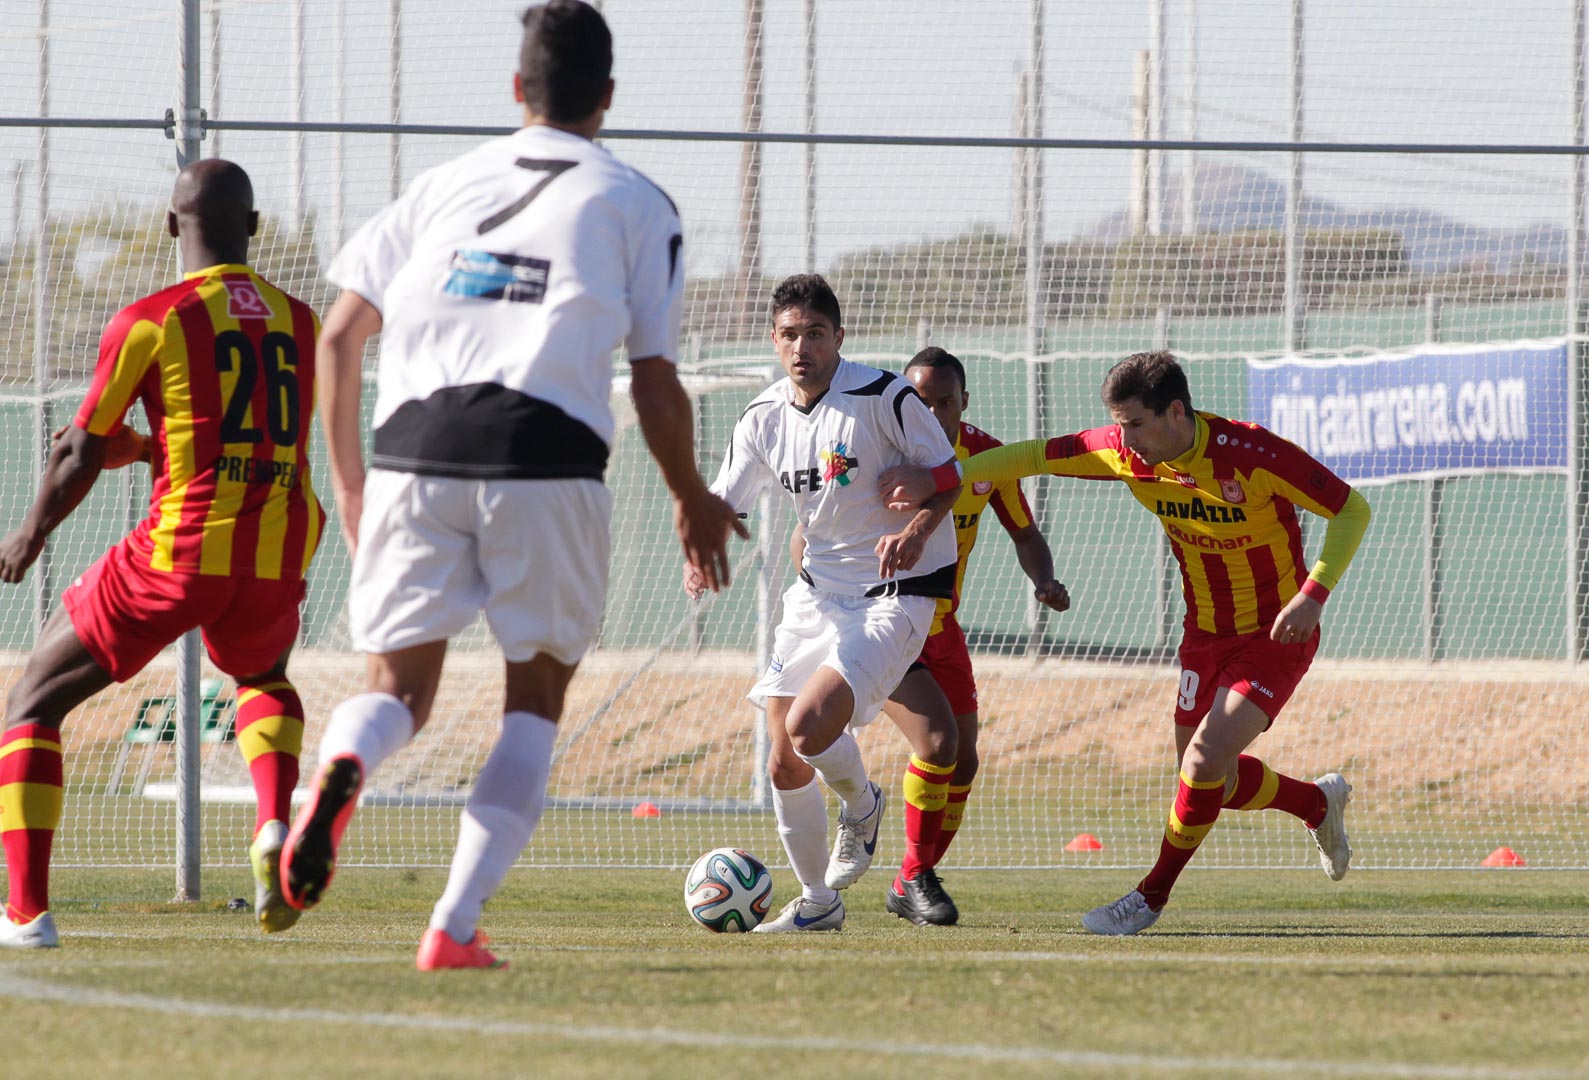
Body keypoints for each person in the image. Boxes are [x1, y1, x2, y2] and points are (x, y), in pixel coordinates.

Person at [285, 0, 744, 971]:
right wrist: (688, 495)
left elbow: (338, 337)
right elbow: (653, 381)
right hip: (545, 455)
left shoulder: (440, 185)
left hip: (413, 450)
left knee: (397, 692)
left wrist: (352, 485)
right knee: (532, 700)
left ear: (515, 88)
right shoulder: (635, 200)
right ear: (607, 96)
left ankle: (344, 761)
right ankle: (451, 927)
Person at [881, 350, 1371, 935]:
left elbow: (1351, 509)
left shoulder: (1251, 453)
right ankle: (1315, 804)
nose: (1126, 439)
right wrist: (941, 478)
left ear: (1175, 412)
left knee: (1202, 762)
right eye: (1120, 425)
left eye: (1136, 424)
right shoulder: (1123, 451)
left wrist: (1313, 595)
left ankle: (1148, 897)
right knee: (1212, 780)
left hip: (1276, 633)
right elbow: (1030, 456)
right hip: (1203, 635)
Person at [0, 159, 324, 948]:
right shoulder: (302, 322)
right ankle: (274, 824)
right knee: (262, 678)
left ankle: (26, 914)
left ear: (171, 226)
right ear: (254, 229)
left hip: (179, 551)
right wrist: (148, 449)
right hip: (276, 547)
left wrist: (30, 533)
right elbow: (243, 434)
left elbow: (77, 450)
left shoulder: (152, 319)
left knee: (31, 703)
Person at [686, 273, 962, 933]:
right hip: (817, 595)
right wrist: (701, 547)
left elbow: (950, 475)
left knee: (809, 730)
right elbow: (727, 498)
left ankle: (862, 805)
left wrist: (917, 525)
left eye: (815, 333)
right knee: (783, 759)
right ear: (773, 340)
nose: (801, 346)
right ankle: (817, 903)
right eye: (789, 334)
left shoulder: (883, 395)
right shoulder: (762, 417)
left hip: (895, 593)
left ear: (839, 336)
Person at [790, 345, 1071, 926]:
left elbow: (1025, 535)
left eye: (946, 402)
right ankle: (909, 869)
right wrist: (822, 590)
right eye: (922, 402)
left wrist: (1044, 580)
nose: (935, 413)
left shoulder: (987, 458)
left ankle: (909, 879)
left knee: (963, 764)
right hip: (883, 621)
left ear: (964, 401)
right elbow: (809, 530)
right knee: (937, 744)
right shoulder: (875, 448)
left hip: (942, 629)